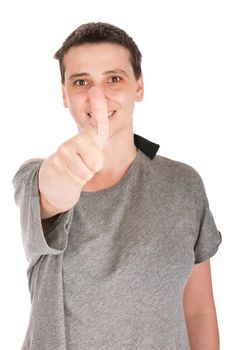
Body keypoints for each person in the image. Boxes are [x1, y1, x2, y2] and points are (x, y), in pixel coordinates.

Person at [12, 22, 222, 350]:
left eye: (114, 78)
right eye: (81, 82)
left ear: (138, 87)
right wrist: (64, 171)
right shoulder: (33, 180)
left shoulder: (184, 185)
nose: (98, 95)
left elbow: (198, 311)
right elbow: (52, 190)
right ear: (65, 95)